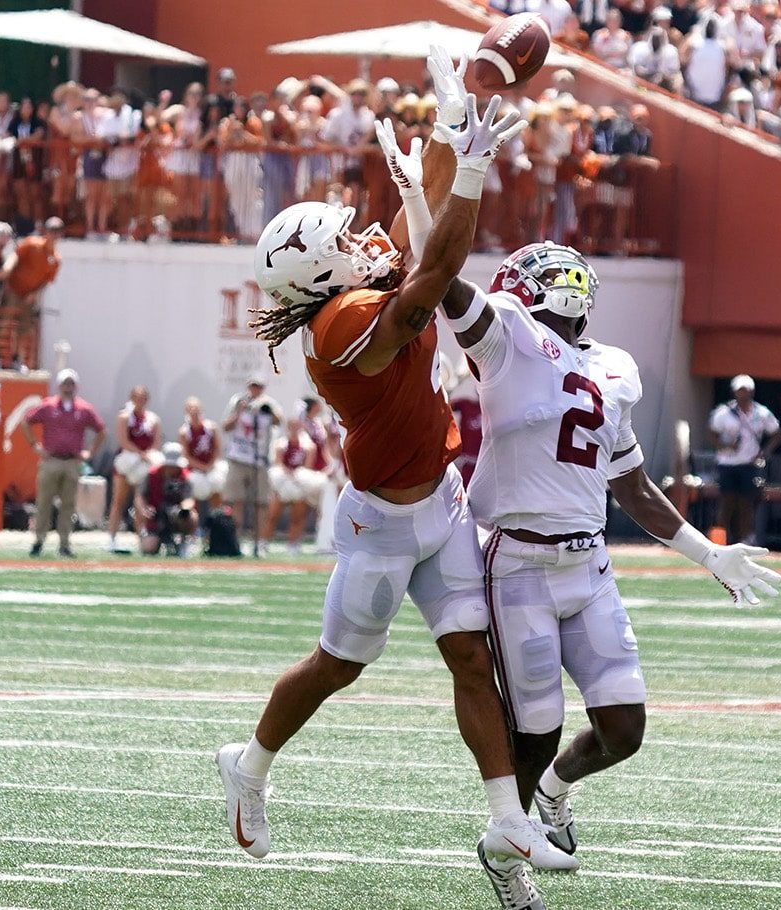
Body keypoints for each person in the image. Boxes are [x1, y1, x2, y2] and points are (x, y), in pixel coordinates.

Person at [215, 49, 575, 909]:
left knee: (468, 656)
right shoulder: (343, 323)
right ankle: (250, 763)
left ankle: (505, 818)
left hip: (442, 504)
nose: (358, 237)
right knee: (339, 664)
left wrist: (457, 122)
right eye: (339, 243)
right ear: (317, 277)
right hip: (381, 520)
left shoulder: (353, 284)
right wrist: (467, 171)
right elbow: (434, 274)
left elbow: (419, 248)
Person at [445, 240, 781, 905]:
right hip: (518, 565)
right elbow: (450, 291)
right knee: (534, 728)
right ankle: (505, 852)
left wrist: (708, 554)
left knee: (625, 730)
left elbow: (631, 486)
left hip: (589, 563)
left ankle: (553, 790)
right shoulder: (507, 343)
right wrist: (445, 205)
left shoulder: (612, 366)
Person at [21, 368, 107, 558]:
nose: (68, 388)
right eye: (65, 384)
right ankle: (39, 540)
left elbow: (101, 430)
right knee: (44, 502)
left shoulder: (83, 409)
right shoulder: (48, 406)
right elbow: (26, 421)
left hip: (71, 461)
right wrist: (35, 445)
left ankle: (64, 543)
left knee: (68, 504)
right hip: (51, 459)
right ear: (59, 386)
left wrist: (90, 452)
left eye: (71, 384)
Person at [709, 374, 780, 545]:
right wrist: (725, 446)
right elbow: (712, 434)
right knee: (726, 502)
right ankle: (719, 540)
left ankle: (745, 539)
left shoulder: (761, 413)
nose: (743, 394)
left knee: (746, 503)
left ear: (752, 392)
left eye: (746, 391)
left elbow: (777, 433)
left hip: (749, 464)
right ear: (734, 392)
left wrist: (765, 452)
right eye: (740, 391)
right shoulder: (724, 413)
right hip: (727, 463)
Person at [222, 376, 283, 557]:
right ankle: (236, 540)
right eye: (253, 386)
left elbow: (279, 422)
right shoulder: (237, 401)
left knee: (261, 503)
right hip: (239, 457)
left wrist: (268, 411)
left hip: (260, 459)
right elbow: (225, 426)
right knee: (236, 500)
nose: (255, 390)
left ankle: (260, 542)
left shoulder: (269, 403)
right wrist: (239, 412)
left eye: (259, 386)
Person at [0, 217, 63, 369]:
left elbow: (47, 281)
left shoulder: (56, 259)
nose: (54, 234)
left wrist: (35, 294)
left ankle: (17, 359)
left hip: (29, 296)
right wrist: (7, 269)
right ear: (46, 231)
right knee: (5, 323)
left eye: (57, 231)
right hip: (13, 289)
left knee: (24, 328)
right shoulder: (32, 243)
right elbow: (16, 256)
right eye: (52, 230)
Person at [108, 385, 162, 553]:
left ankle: (141, 540)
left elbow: (156, 443)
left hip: (143, 465)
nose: (140, 401)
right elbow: (123, 440)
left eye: (143, 398)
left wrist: (148, 455)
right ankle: (112, 539)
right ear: (132, 399)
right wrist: (139, 453)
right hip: (127, 462)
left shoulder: (153, 419)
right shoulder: (125, 416)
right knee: (118, 501)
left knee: (141, 502)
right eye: (137, 397)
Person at [264, 421, 325, 554]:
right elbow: (278, 463)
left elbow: (308, 466)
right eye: (292, 427)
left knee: (297, 516)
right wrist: (287, 473)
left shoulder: (308, 446)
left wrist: (296, 475)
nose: (295, 430)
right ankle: (265, 542)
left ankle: (293, 544)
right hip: (283, 483)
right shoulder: (281, 444)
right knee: (272, 515)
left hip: (299, 483)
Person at [134, 442, 198, 556]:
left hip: (176, 517)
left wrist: (182, 509)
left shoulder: (186, 477)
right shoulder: (151, 475)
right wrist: (144, 509)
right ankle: (146, 538)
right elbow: (139, 497)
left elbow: (189, 499)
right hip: (155, 515)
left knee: (191, 516)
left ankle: (183, 543)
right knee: (149, 547)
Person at [178, 396, 226, 508]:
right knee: (194, 492)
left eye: (196, 408)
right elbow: (186, 456)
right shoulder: (184, 432)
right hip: (194, 469)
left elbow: (217, 449)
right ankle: (194, 523)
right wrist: (202, 467)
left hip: (211, 466)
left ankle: (217, 520)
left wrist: (210, 465)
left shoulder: (212, 428)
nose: (194, 411)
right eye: (190, 409)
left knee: (216, 488)